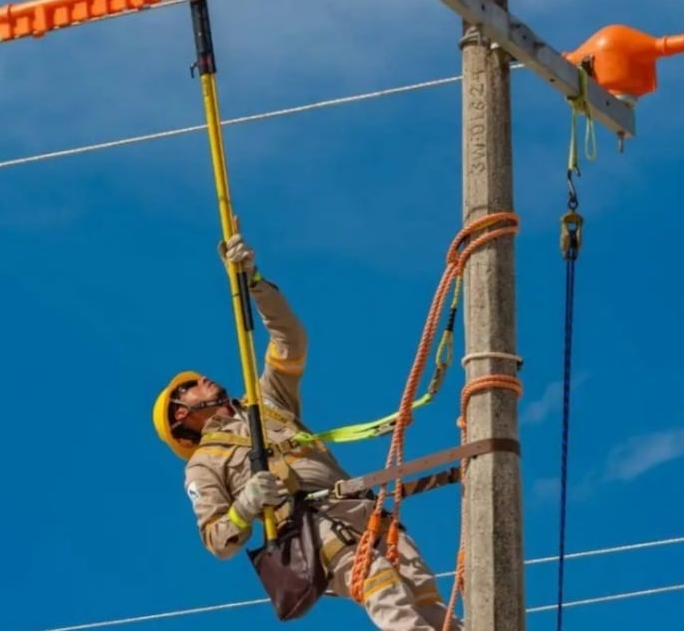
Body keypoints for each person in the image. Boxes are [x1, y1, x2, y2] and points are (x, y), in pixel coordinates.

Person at [151, 232, 463, 630]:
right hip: (312, 527)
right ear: (181, 415)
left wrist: (254, 282)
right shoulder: (203, 465)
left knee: (428, 603)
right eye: (188, 388)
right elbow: (217, 539)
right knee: (384, 591)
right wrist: (245, 504)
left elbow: (290, 341)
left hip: (361, 510)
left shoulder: (265, 403)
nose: (201, 380)